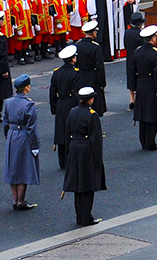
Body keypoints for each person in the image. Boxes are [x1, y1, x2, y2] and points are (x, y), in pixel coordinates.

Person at [63, 86, 106, 226]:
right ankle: (87, 216)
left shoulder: (72, 112)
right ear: (90, 100)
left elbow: (67, 132)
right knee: (88, 186)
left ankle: (79, 216)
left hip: (74, 149)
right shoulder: (92, 114)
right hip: (87, 150)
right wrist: (98, 160)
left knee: (77, 186)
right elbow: (96, 139)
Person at [3, 73, 40, 211]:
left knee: (13, 168)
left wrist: (8, 136)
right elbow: (32, 128)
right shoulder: (29, 104)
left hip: (12, 134)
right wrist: (35, 145)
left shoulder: (8, 102)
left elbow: (5, 122)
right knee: (24, 168)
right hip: (23, 135)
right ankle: (21, 201)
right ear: (26, 87)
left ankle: (15, 200)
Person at [132, 24, 157, 150]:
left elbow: (132, 70)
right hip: (151, 85)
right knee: (153, 115)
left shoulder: (137, 52)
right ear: (152, 38)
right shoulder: (156, 53)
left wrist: (134, 86)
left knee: (142, 115)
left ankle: (143, 141)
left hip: (141, 84)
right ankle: (150, 142)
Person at [49, 44, 80, 170]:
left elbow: (52, 92)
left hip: (60, 103)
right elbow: (76, 92)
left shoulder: (57, 72)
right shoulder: (76, 73)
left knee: (61, 133)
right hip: (70, 103)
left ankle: (62, 161)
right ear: (73, 59)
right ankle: (71, 160)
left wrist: (54, 108)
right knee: (72, 132)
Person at [75, 20, 107, 116]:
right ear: (93, 33)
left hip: (80, 76)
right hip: (93, 77)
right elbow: (100, 67)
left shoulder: (78, 45)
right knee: (94, 106)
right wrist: (102, 83)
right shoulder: (96, 47)